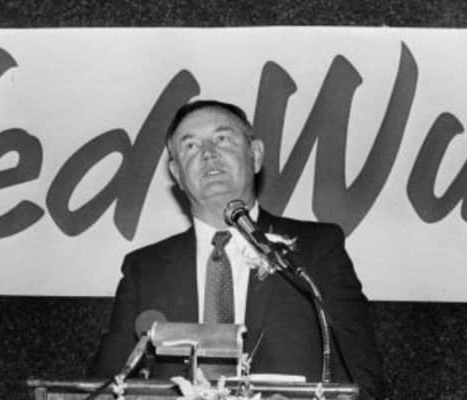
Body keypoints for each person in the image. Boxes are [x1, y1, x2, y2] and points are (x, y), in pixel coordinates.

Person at [90, 99, 386, 399]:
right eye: (190, 145)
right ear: (176, 173)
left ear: (255, 155)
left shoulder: (315, 250)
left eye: (222, 138)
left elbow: (362, 378)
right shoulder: (145, 269)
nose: (208, 153)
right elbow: (104, 386)